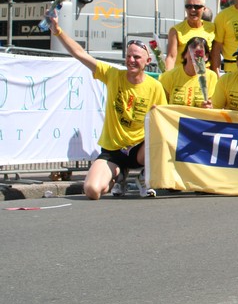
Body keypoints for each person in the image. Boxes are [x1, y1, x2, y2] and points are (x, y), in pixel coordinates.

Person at [46, 15, 167, 200]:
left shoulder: (155, 86)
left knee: (162, 137)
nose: (131, 60)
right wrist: (57, 31)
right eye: (128, 56)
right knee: (92, 191)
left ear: (148, 60)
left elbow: (164, 119)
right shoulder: (113, 75)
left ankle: (144, 177)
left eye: (137, 57)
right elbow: (80, 54)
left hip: (140, 150)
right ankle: (119, 176)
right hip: (113, 151)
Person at [159, 36, 218, 107]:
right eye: (191, 51)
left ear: (206, 57)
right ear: (185, 54)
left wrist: (208, 106)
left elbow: (213, 105)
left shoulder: (211, 77)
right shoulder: (168, 76)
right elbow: (161, 106)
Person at [165, 0, 216, 71]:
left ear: (204, 9)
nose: (192, 10)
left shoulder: (212, 28)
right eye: (188, 6)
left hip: (205, 74)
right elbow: (171, 57)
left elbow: (214, 55)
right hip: (184, 74)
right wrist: (167, 76)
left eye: (197, 7)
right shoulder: (176, 31)